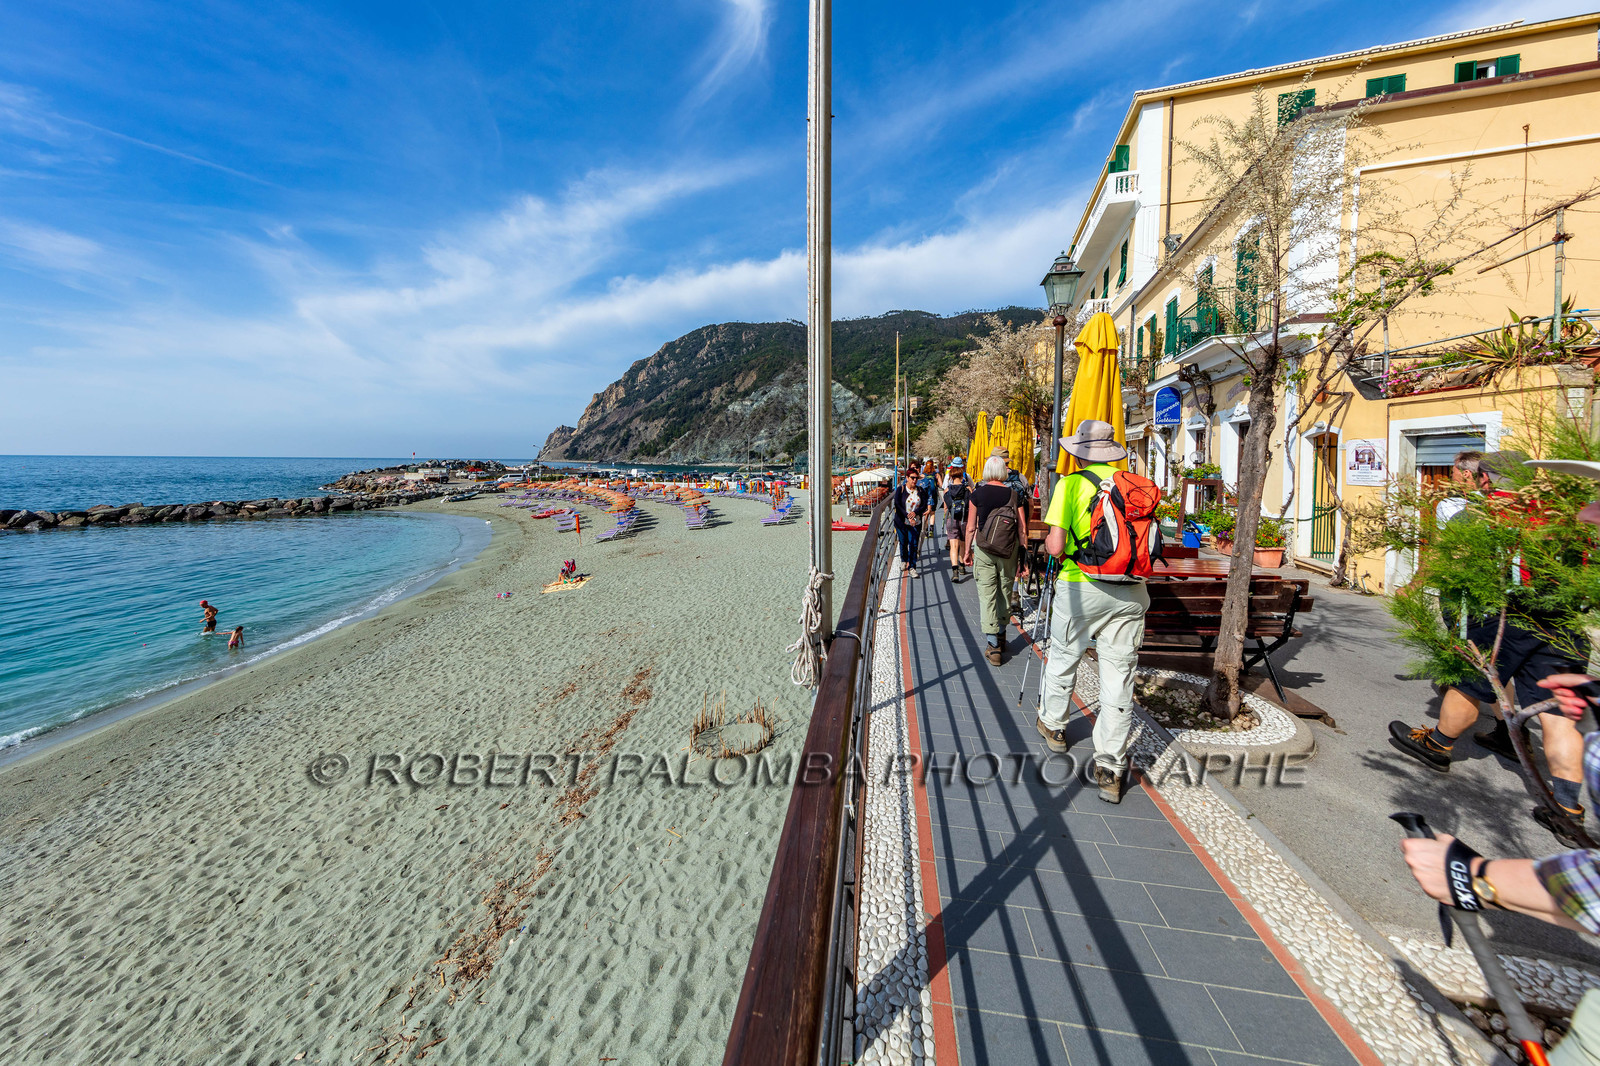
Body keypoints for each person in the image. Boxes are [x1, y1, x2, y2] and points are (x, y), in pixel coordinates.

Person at [1388, 451, 1590, 841]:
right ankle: (1568, 808)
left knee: (1470, 683)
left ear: (1486, 479)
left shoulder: (1482, 514)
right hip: (1565, 625)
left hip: (1506, 617)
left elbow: (1453, 565)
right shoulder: (1564, 516)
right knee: (1559, 714)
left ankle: (1438, 744)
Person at [1037, 420, 1149, 805]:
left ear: (1080, 453)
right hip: (1131, 591)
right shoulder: (1133, 483)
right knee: (1119, 675)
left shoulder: (1069, 485)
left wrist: (1056, 541)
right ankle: (1111, 768)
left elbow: (1055, 547)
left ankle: (1054, 726)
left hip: (1081, 586)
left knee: (1064, 655)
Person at [963, 455, 1028, 665]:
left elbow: (971, 527)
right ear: (1003, 471)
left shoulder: (977, 494)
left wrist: (967, 551)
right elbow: (1022, 529)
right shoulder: (1014, 495)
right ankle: (1001, 634)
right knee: (1004, 591)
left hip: (984, 550)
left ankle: (993, 647)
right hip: (1009, 550)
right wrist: (1023, 557)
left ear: (986, 472)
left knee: (987, 594)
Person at [892, 465, 928, 577]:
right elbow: (897, 504)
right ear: (907, 478)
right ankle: (904, 560)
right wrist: (908, 516)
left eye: (916, 478)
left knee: (913, 544)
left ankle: (912, 567)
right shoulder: (901, 489)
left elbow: (924, 505)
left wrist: (915, 513)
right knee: (903, 542)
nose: (915, 480)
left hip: (916, 522)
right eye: (912, 478)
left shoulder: (920, 490)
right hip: (901, 522)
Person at [943, 458, 973, 580]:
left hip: (952, 519)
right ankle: (962, 566)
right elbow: (972, 506)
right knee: (962, 544)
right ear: (962, 475)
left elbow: (946, 507)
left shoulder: (947, 490)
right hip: (964, 519)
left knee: (953, 545)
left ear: (951, 476)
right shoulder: (968, 489)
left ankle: (955, 571)